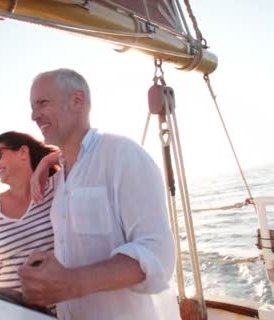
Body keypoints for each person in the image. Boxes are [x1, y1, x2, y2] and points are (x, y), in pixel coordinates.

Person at [19, 69, 177, 320]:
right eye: (32, 106)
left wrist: (70, 283)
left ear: (77, 101)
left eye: (42, 103)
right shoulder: (60, 178)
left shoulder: (122, 155)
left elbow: (158, 254)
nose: (34, 115)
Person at [0, 131, 59, 308]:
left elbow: (83, 152)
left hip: (58, 309)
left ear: (23, 153)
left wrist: (46, 162)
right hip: (6, 311)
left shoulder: (58, 186)